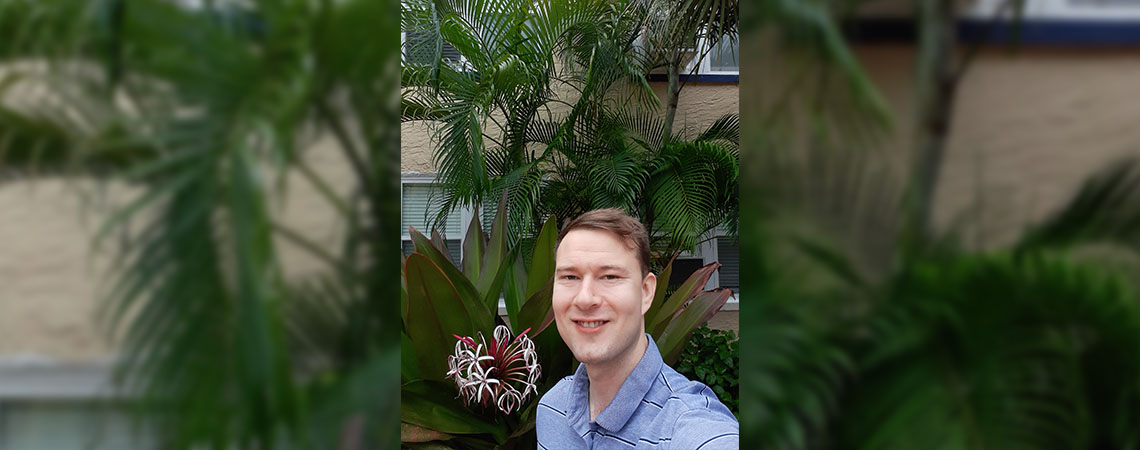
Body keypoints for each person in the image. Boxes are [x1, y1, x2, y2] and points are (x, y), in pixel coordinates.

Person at [537, 208, 739, 449]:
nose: (584, 298)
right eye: (570, 277)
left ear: (646, 292)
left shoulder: (689, 426)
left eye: (610, 276)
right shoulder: (552, 408)